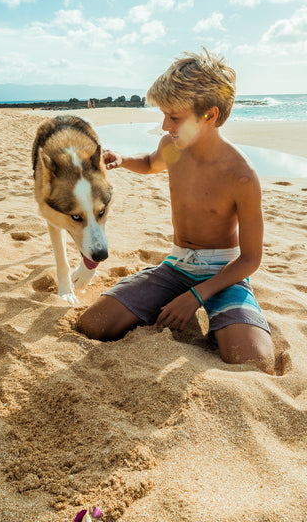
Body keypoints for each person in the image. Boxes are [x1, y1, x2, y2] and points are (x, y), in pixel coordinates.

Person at [78, 48, 275, 374]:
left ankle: (220, 315)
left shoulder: (241, 175)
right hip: (177, 266)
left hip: (223, 275)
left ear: (209, 116)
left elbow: (250, 259)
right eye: (164, 115)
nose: (165, 125)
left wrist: (195, 296)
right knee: (94, 325)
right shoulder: (172, 147)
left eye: (175, 117)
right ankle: (158, 297)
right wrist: (123, 159)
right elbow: (152, 164)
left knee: (254, 361)